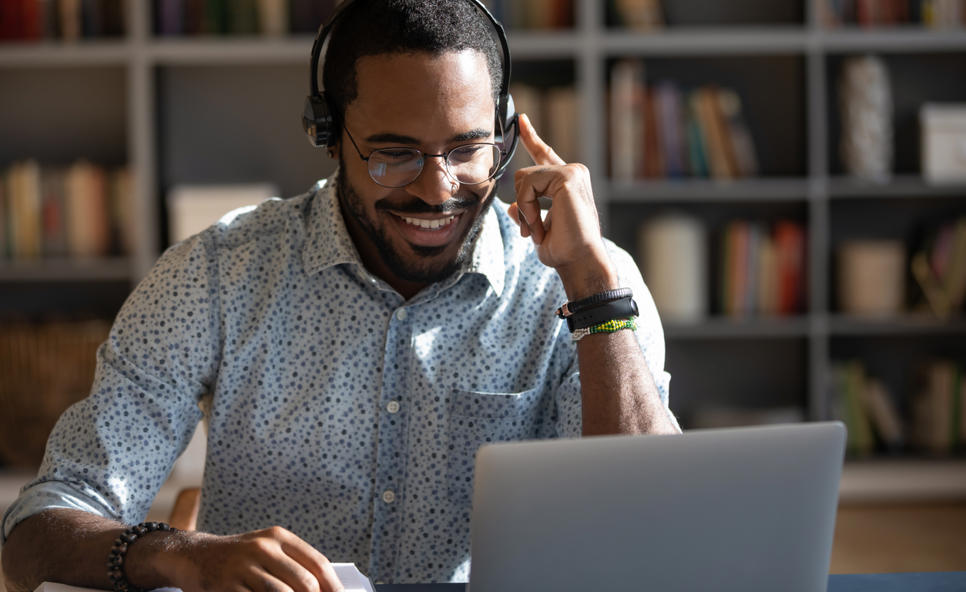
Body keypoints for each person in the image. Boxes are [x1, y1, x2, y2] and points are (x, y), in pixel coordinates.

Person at [1, 1, 680, 591]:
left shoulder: (586, 283)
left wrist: (593, 287)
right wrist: (181, 556)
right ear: (327, 135)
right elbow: (34, 532)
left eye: (468, 149)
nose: (438, 189)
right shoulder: (216, 276)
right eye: (395, 153)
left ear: (504, 133)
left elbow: (659, 529)